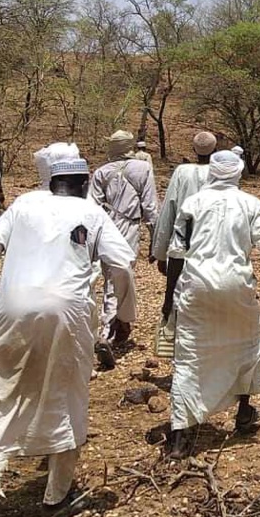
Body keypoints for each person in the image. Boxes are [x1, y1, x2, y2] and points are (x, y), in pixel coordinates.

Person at [0, 158, 137, 517]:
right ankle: (56, 494)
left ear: (51, 180)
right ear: (85, 182)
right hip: (68, 312)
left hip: (13, 308)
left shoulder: (22, 206)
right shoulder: (91, 211)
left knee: (0, 394)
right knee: (66, 394)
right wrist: (124, 315)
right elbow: (121, 263)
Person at [163, 150, 260, 458]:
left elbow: (176, 253)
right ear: (238, 174)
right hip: (237, 285)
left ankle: (180, 435)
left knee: (189, 356)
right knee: (248, 345)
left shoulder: (193, 204)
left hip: (197, 285)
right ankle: (244, 413)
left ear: (211, 174)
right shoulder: (250, 204)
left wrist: (169, 299)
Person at [89, 129, 158, 369]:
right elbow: (150, 207)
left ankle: (119, 323)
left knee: (111, 277)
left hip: (104, 228)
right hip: (128, 228)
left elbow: (92, 206)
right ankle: (107, 330)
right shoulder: (143, 168)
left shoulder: (100, 172)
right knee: (120, 277)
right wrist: (155, 241)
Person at [150, 131, 217, 277]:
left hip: (183, 244)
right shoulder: (220, 173)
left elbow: (168, 211)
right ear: (216, 150)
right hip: (214, 246)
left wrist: (160, 253)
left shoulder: (182, 172)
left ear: (194, 150)